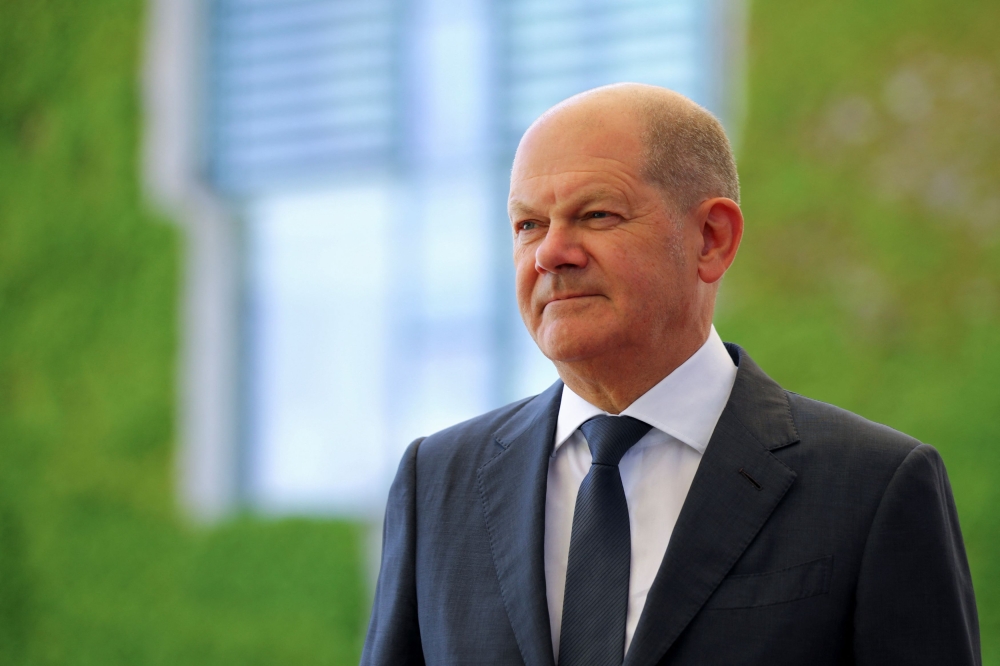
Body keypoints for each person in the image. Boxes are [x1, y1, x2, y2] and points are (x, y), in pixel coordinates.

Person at [360, 83, 980, 665]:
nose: (552, 252)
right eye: (529, 225)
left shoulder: (874, 487)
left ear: (711, 238)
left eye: (597, 214)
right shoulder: (436, 481)